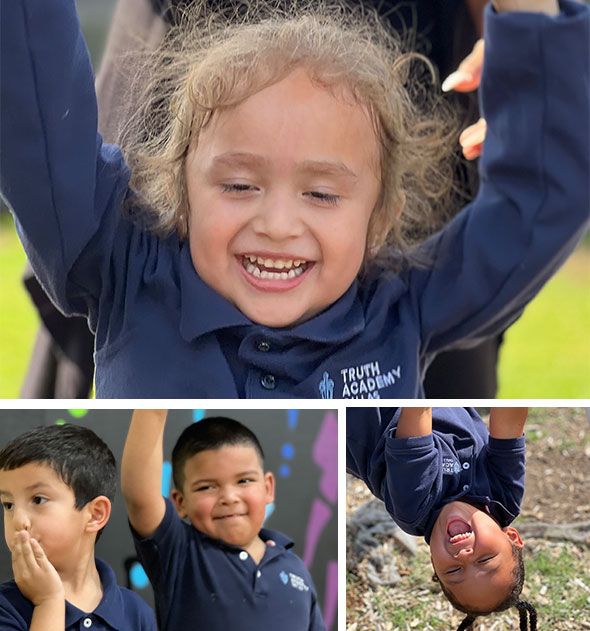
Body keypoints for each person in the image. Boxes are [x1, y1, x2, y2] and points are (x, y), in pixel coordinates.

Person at [1, 0, 588, 398]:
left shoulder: (408, 306)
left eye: (322, 193)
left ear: (382, 216)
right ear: (180, 190)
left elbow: (541, 198)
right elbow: (37, 117)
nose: (278, 224)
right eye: (238, 185)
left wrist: (531, 16)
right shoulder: (122, 270)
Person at [121, 409, 325, 631]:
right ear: (180, 503)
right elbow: (140, 497)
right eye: (207, 487)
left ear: (268, 488)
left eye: (244, 480)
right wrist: (153, 411)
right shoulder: (180, 551)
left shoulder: (295, 567)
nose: (229, 497)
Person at [347, 407, 536, 630]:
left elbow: (417, 407)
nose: (464, 556)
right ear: (512, 536)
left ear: (434, 563)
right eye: (484, 560)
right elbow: (509, 423)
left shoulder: (414, 505)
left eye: (454, 570)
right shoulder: (505, 500)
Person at [0, 424, 157, 631]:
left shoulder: (135, 613)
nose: (19, 520)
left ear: (95, 514)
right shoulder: (5, 607)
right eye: (8, 505)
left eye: (38, 500)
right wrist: (48, 602)